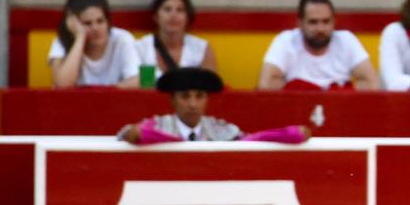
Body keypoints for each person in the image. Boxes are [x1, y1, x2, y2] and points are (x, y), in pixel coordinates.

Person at [117, 67, 312, 144]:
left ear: (207, 100)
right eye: (185, 96)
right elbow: (131, 134)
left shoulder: (221, 129)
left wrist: (290, 134)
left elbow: (252, 140)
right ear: (173, 100)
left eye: (199, 96)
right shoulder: (156, 125)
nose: (192, 104)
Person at [258, 0, 380, 90]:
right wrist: (309, 93)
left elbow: (372, 84)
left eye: (326, 21)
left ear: (334, 21)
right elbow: (266, 84)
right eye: (313, 22)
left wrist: (336, 95)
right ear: (300, 23)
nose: (320, 29)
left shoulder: (346, 40)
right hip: (296, 112)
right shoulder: (286, 41)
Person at [48, 0, 141, 89]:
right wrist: (80, 38)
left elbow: (137, 81)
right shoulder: (61, 41)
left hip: (114, 103)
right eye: (87, 23)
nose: (95, 28)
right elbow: (63, 85)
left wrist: (102, 94)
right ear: (74, 26)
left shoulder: (122, 38)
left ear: (108, 22)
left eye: (100, 21)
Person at [135, 0, 218, 73]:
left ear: (187, 18)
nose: (173, 15)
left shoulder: (202, 49)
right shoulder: (140, 48)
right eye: (167, 9)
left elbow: (211, 85)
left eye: (180, 10)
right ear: (156, 16)